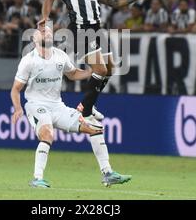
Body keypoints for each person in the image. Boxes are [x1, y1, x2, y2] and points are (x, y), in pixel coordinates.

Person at [39, 0, 159, 126]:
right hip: (81, 28)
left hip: (97, 29)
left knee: (110, 68)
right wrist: (45, 19)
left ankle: (89, 104)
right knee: (101, 70)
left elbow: (115, 2)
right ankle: (85, 110)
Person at [10, 26, 132, 188]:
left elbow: (73, 74)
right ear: (34, 39)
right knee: (47, 134)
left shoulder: (60, 55)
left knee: (95, 126)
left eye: (48, 31)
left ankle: (108, 173)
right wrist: (18, 108)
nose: (46, 33)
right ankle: (37, 178)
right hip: (36, 105)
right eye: (41, 32)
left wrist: (92, 72)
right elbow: (16, 89)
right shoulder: (28, 60)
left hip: (57, 106)